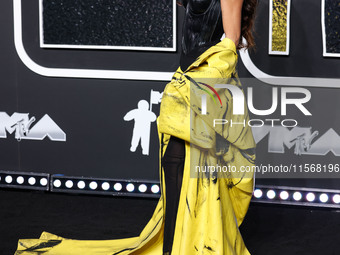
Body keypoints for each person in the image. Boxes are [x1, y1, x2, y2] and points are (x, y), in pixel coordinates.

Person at [14, 0, 257, 254]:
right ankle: (174, 246)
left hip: (200, 84)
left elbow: (231, 41)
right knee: (174, 165)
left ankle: (177, 248)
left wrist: (198, 83)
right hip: (185, 78)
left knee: (180, 162)